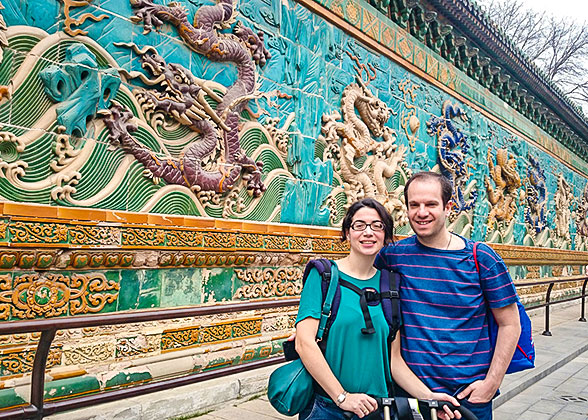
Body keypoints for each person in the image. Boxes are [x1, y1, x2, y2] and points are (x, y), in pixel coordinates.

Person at [295, 198, 461, 420]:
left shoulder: (390, 284)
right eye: (359, 225)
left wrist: (429, 397)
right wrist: (343, 397)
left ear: (386, 235)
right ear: (347, 232)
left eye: (377, 226)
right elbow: (304, 343)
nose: (368, 233)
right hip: (328, 408)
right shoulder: (324, 275)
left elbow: (394, 361)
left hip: (378, 410)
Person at [375, 172, 521, 420]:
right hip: (412, 395)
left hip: (467, 398)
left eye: (431, 204)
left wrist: (491, 384)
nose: (422, 213)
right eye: (414, 205)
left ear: (448, 207)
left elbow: (510, 323)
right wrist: (315, 326)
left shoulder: (482, 259)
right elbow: (356, 285)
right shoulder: (394, 257)